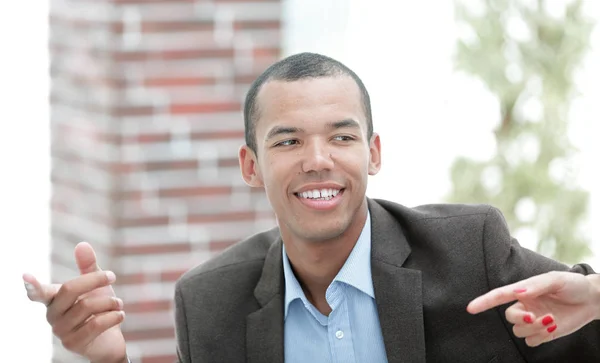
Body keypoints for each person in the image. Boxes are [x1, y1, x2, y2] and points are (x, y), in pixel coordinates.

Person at [24, 52, 600, 363]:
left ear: (373, 154)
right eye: (288, 140)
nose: (318, 160)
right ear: (251, 167)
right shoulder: (208, 305)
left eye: (342, 137)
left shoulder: (468, 251)